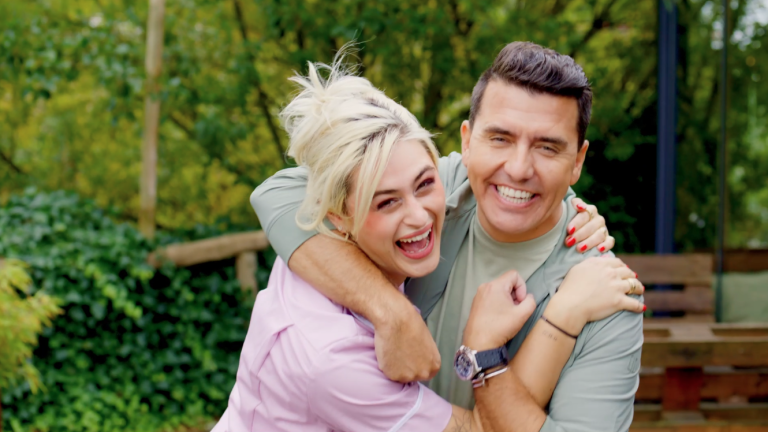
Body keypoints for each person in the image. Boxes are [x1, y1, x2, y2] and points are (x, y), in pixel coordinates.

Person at [215, 50, 644, 431]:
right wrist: (390, 310)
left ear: (577, 161)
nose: (518, 168)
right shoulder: (439, 184)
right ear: (467, 142)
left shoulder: (602, 295)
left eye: (547, 148)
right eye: (500, 138)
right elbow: (277, 193)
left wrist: (556, 320)